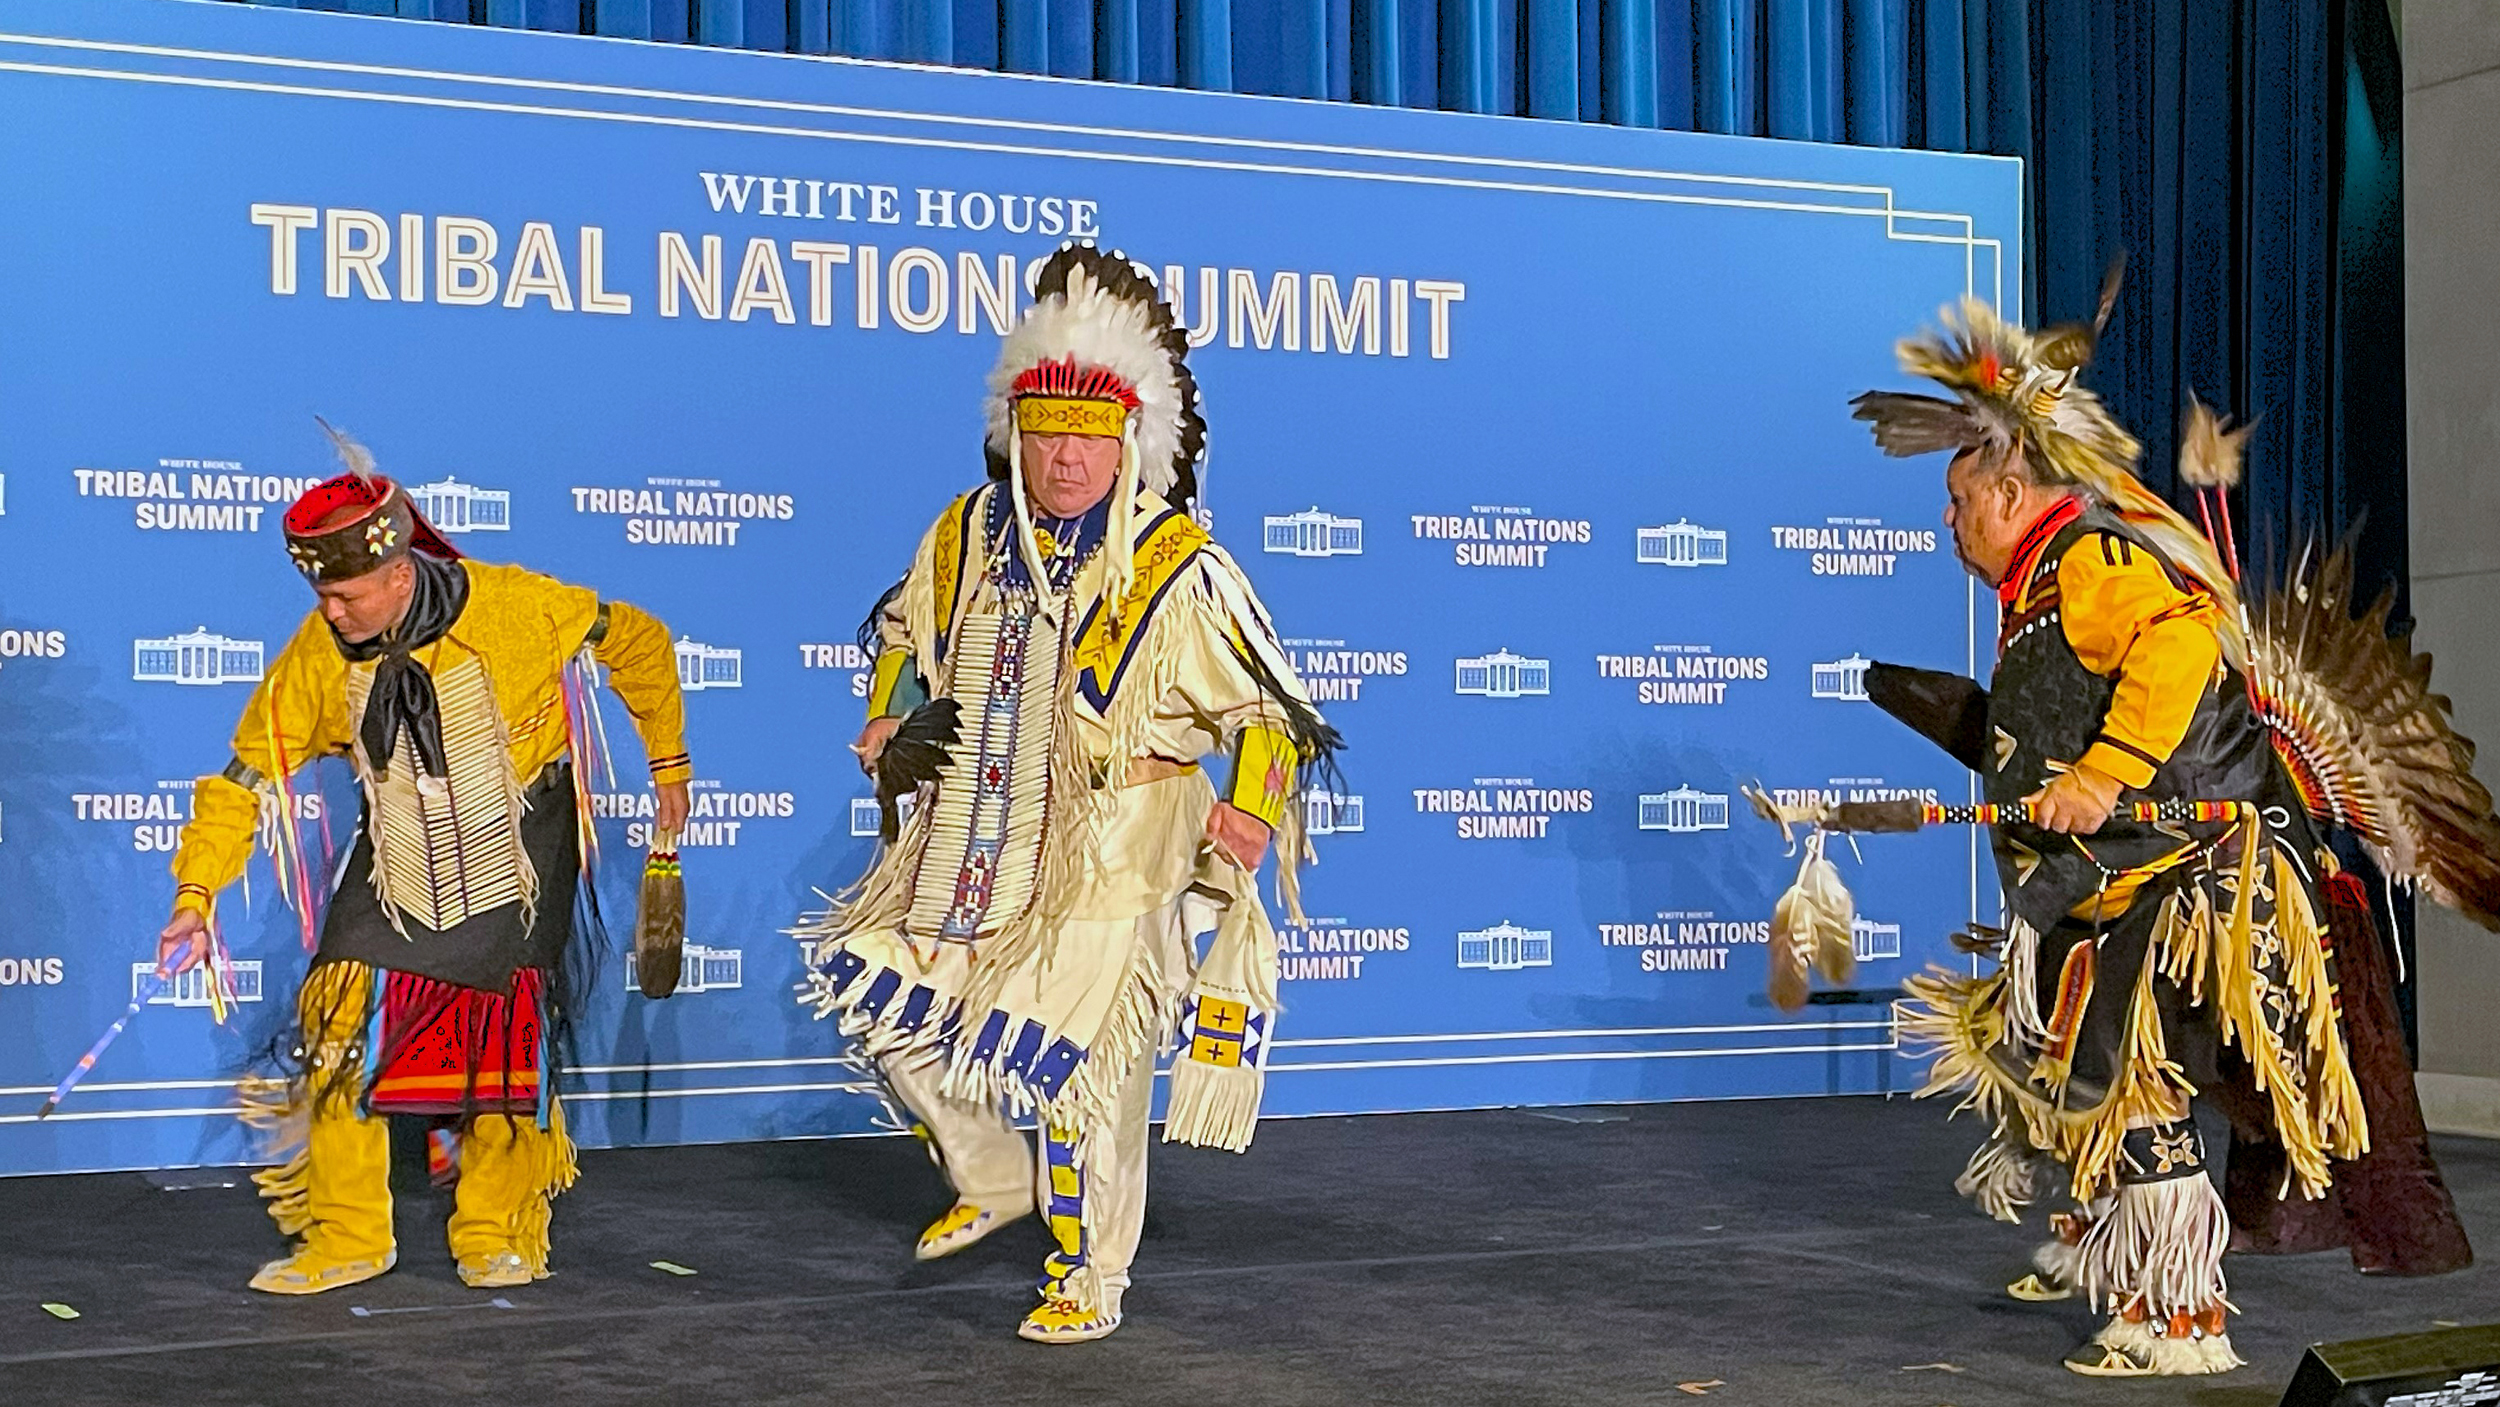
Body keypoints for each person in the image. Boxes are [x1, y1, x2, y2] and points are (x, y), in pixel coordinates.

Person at [795, 244, 1338, 1344]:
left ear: (1131, 447)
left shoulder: (1178, 568)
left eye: (1088, 442)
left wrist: (1252, 807)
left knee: (1089, 1075)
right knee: (892, 1015)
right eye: (1045, 439)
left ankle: (1092, 1276)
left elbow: (1272, 715)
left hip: (1119, 846)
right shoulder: (965, 534)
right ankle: (992, 1172)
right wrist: (887, 709)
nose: (1064, 463)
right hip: (981, 831)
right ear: (1015, 439)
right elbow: (903, 635)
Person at [1846, 296, 2373, 1377]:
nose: (1945, 523)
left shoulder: (2086, 560)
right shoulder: (2041, 586)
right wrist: (1961, 721)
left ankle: (2182, 1318)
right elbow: (2049, 745)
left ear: (2006, 490)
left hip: (2179, 882)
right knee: (2086, 1074)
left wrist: (2106, 772)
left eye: (1955, 501)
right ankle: (2112, 1256)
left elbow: (2179, 641)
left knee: (2135, 1084)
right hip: (2111, 883)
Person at [158, 426, 691, 1295]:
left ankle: (495, 1230)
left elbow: (639, 640)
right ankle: (348, 1235)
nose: (333, 612)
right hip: (396, 843)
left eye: (349, 595)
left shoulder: (519, 607)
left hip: (520, 842)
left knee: (507, 1049)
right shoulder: (317, 653)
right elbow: (244, 772)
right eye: (322, 594)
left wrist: (669, 762)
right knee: (337, 1027)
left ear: (400, 574)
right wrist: (195, 893)